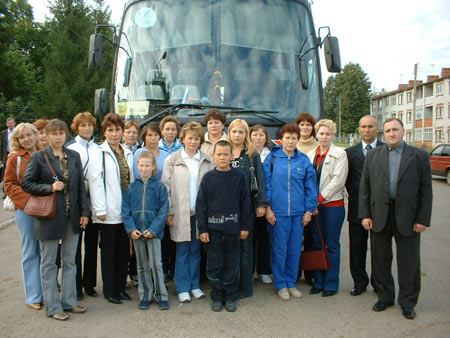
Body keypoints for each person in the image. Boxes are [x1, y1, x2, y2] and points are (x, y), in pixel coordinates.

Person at [359, 118, 432, 320]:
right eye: (388, 130)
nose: (391, 133)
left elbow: (426, 191)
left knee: (409, 262)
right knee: (380, 258)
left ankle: (408, 302)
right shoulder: (374, 155)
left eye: (395, 130)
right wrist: (365, 214)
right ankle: (385, 296)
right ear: (384, 133)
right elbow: (365, 187)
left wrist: (423, 219)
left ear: (403, 131)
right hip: (380, 215)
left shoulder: (418, 156)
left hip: (408, 217)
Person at [22, 119, 89, 321]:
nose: (58, 137)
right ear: (47, 136)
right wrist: (49, 188)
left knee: (70, 261)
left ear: (66, 135)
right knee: (49, 263)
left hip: (72, 216)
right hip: (49, 217)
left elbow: (80, 188)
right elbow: (27, 184)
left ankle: (69, 302)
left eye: (61, 133)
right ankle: (53, 306)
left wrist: (85, 213)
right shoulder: (39, 157)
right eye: (54, 133)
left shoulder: (74, 156)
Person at [161, 121, 214, 303]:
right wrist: (169, 211)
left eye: (197, 138)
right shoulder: (173, 160)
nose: (193, 142)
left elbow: (212, 189)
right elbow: (166, 188)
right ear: (182, 139)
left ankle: (195, 285)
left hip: (199, 214)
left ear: (201, 141)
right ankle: (182, 287)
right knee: (182, 250)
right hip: (180, 213)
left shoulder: (207, 160)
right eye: (190, 138)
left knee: (196, 250)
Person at [263, 124, 317, 300]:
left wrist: (309, 210)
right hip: (277, 214)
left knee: (294, 250)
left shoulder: (303, 160)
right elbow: (266, 185)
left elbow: (311, 187)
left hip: (297, 213)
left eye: (294, 138)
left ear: (298, 139)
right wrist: (268, 208)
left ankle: (291, 282)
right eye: (287, 137)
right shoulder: (272, 158)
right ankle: (280, 284)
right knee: (280, 250)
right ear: (281, 139)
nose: (290, 141)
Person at [196, 140, 252, 312]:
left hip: (233, 230)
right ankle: (217, 296)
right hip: (213, 231)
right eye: (218, 154)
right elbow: (201, 205)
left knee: (231, 264)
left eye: (226, 154)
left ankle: (230, 296)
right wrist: (203, 229)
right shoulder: (208, 178)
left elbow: (246, 204)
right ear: (213, 156)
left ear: (231, 156)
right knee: (214, 265)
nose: (222, 157)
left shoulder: (239, 177)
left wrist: (244, 227)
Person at [88, 113, 134, 304]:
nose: (114, 134)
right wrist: (100, 209)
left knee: (124, 251)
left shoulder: (126, 151)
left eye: (117, 130)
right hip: (108, 209)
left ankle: (121, 287)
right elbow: (95, 181)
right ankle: (110, 290)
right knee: (109, 251)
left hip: (125, 209)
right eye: (110, 130)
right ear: (104, 132)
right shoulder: (98, 152)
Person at [122, 151, 170, 311]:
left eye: (147, 165)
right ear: (137, 166)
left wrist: (154, 229)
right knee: (142, 264)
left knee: (156, 264)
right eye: (141, 165)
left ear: (153, 167)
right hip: (137, 232)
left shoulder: (159, 187)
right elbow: (125, 210)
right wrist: (131, 229)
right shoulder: (131, 187)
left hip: (153, 232)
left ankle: (161, 295)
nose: (144, 168)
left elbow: (163, 211)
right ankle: (145, 295)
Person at [227, 119, 268, 298]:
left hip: (247, 206)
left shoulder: (252, 154)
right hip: (226, 206)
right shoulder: (223, 150)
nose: (237, 135)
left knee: (246, 247)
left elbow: (260, 178)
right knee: (229, 247)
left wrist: (261, 204)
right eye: (234, 131)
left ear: (246, 134)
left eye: (241, 132)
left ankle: (245, 287)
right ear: (229, 133)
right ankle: (230, 284)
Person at [307, 119, 348, 297]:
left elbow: (338, 181)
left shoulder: (340, 154)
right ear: (316, 134)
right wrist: (311, 202)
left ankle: (331, 284)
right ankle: (319, 281)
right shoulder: (309, 154)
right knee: (317, 243)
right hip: (314, 206)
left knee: (331, 245)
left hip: (332, 206)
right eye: (322, 133)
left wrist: (318, 200)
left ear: (333, 135)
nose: (324, 137)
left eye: (328, 134)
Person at [4, 123, 43, 310]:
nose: (27, 139)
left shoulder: (46, 154)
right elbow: (9, 185)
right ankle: (34, 296)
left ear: (35, 135)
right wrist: (29, 200)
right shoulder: (15, 159)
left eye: (29, 135)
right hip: (26, 210)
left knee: (46, 252)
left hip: (46, 209)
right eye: (22, 137)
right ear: (17, 140)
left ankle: (47, 291)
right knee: (30, 252)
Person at [345, 115, 383, 296]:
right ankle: (359, 282)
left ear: (377, 129)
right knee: (357, 248)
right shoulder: (350, 153)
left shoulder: (385, 150)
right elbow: (347, 180)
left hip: (380, 209)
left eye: (370, 126)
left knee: (379, 249)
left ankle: (379, 283)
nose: (367, 130)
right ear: (359, 129)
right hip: (357, 209)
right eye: (363, 127)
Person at [66, 112, 100, 299]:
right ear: (76, 128)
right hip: (77, 202)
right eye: (83, 125)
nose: (87, 128)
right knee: (75, 246)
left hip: (94, 201)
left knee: (92, 245)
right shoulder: (70, 148)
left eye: (89, 125)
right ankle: (76, 286)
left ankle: (90, 283)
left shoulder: (98, 148)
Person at [295, 113, 318, 286]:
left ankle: (310, 273)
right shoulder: (290, 145)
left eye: (308, 125)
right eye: (301, 124)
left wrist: (313, 203)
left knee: (310, 239)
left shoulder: (319, 147)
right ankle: (295, 272)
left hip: (311, 202)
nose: (304, 127)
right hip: (294, 201)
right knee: (294, 240)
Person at [249, 124, 271, 284]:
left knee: (264, 238)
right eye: (255, 135)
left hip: (266, 203)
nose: (258, 138)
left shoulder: (272, 155)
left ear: (266, 138)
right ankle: (249, 270)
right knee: (250, 239)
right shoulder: (247, 154)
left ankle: (263, 270)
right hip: (249, 203)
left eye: (261, 135)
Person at [1, 117, 16, 184]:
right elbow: (2, 146)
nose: (10, 124)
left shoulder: (17, 131)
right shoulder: (3, 133)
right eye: (9, 123)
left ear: (14, 123)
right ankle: (5, 186)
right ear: (7, 124)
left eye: (11, 123)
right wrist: (1, 158)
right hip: (7, 153)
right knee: (6, 171)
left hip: (16, 153)